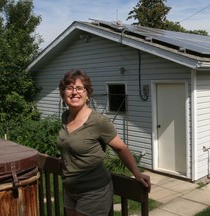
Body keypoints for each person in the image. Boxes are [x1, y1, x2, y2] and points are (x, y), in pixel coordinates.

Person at [56, 69, 151, 216]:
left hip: (93, 191)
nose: (74, 92)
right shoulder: (65, 116)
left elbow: (121, 148)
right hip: (70, 189)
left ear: (87, 94)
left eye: (80, 88)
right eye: (69, 88)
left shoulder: (99, 122)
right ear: (64, 94)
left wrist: (137, 174)